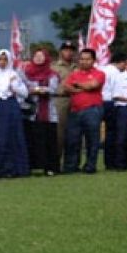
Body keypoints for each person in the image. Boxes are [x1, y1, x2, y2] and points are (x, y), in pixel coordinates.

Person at [0, 50, 29, 178]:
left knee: (14, 137)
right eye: (0, 59)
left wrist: (14, 85)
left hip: (11, 107)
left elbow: (24, 93)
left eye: (5, 60)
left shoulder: (13, 74)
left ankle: (16, 169)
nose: (2, 62)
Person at [61, 48, 106, 174]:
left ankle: (90, 166)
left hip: (92, 110)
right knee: (72, 140)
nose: (84, 62)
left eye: (87, 59)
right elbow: (65, 87)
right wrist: (81, 86)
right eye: (82, 59)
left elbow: (93, 85)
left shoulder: (99, 73)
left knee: (92, 139)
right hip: (75, 110)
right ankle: (71, 166)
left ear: (93, 60)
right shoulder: (74, 74)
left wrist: (76, 84)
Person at [22, 47, 60, 176]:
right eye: (36, 56)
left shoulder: (52, 74)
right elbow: (24, 88)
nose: (38, 58)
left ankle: (51, 168)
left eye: (41, 56)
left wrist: (40, 90)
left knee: (50, 140)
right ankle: (36, 167)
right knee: (35, 140)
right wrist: (34, 90)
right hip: (33, 112)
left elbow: (53, 89)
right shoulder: (27, 73)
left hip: (49, 112)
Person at [51, 42, 76, 170]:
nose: (69, 52)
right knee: (59, 134)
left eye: (71, 50)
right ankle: (56, 163)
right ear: (61, 51)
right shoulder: (54, 67)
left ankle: (71, 164)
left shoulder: (77, 67)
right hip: (60, 100)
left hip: (76, 100)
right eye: (66, 50)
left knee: (74, 134)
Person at [100, 51, 125, 170]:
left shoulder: (103, 69)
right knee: (112, 133)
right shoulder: (116, 73)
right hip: (111, 102)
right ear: (121, 63)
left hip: (99, 101)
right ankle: (110, 162)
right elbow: (117, 91)